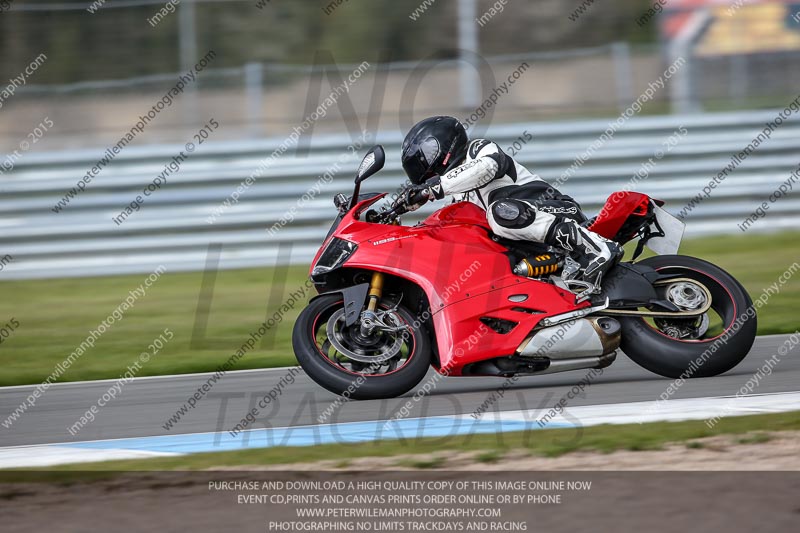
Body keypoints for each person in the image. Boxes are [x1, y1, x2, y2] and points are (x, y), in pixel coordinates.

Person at [398, 115, 621, 289]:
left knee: (500, 212)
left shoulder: (477, 149)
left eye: (425, 156)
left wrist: (433, 188)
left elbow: (489, 166)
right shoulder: (458, 196)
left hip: (558, 210)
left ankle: (598, 248)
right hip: (531, 242)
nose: (424, 169)